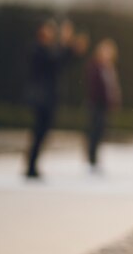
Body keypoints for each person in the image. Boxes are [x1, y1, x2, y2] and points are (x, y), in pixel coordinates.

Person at [24, 19, 88, 179]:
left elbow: (62, 60)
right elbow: (55, 59)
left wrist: (71, 48)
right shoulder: (38, 50)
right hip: (41, 98)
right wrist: (66, 43)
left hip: (48, 98)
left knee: (43, 132)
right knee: (39, 131)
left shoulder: (47, 50)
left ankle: (33, 163)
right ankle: (31, 164)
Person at [85, 38, 121, 172]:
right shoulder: (95, 66)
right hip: (96, 104)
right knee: (94, 131)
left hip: (104, 104)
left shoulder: (109, 67)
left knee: (100, 131)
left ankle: (95, 158)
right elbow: (95, 87)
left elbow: (112, 87)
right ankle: (91, 159)